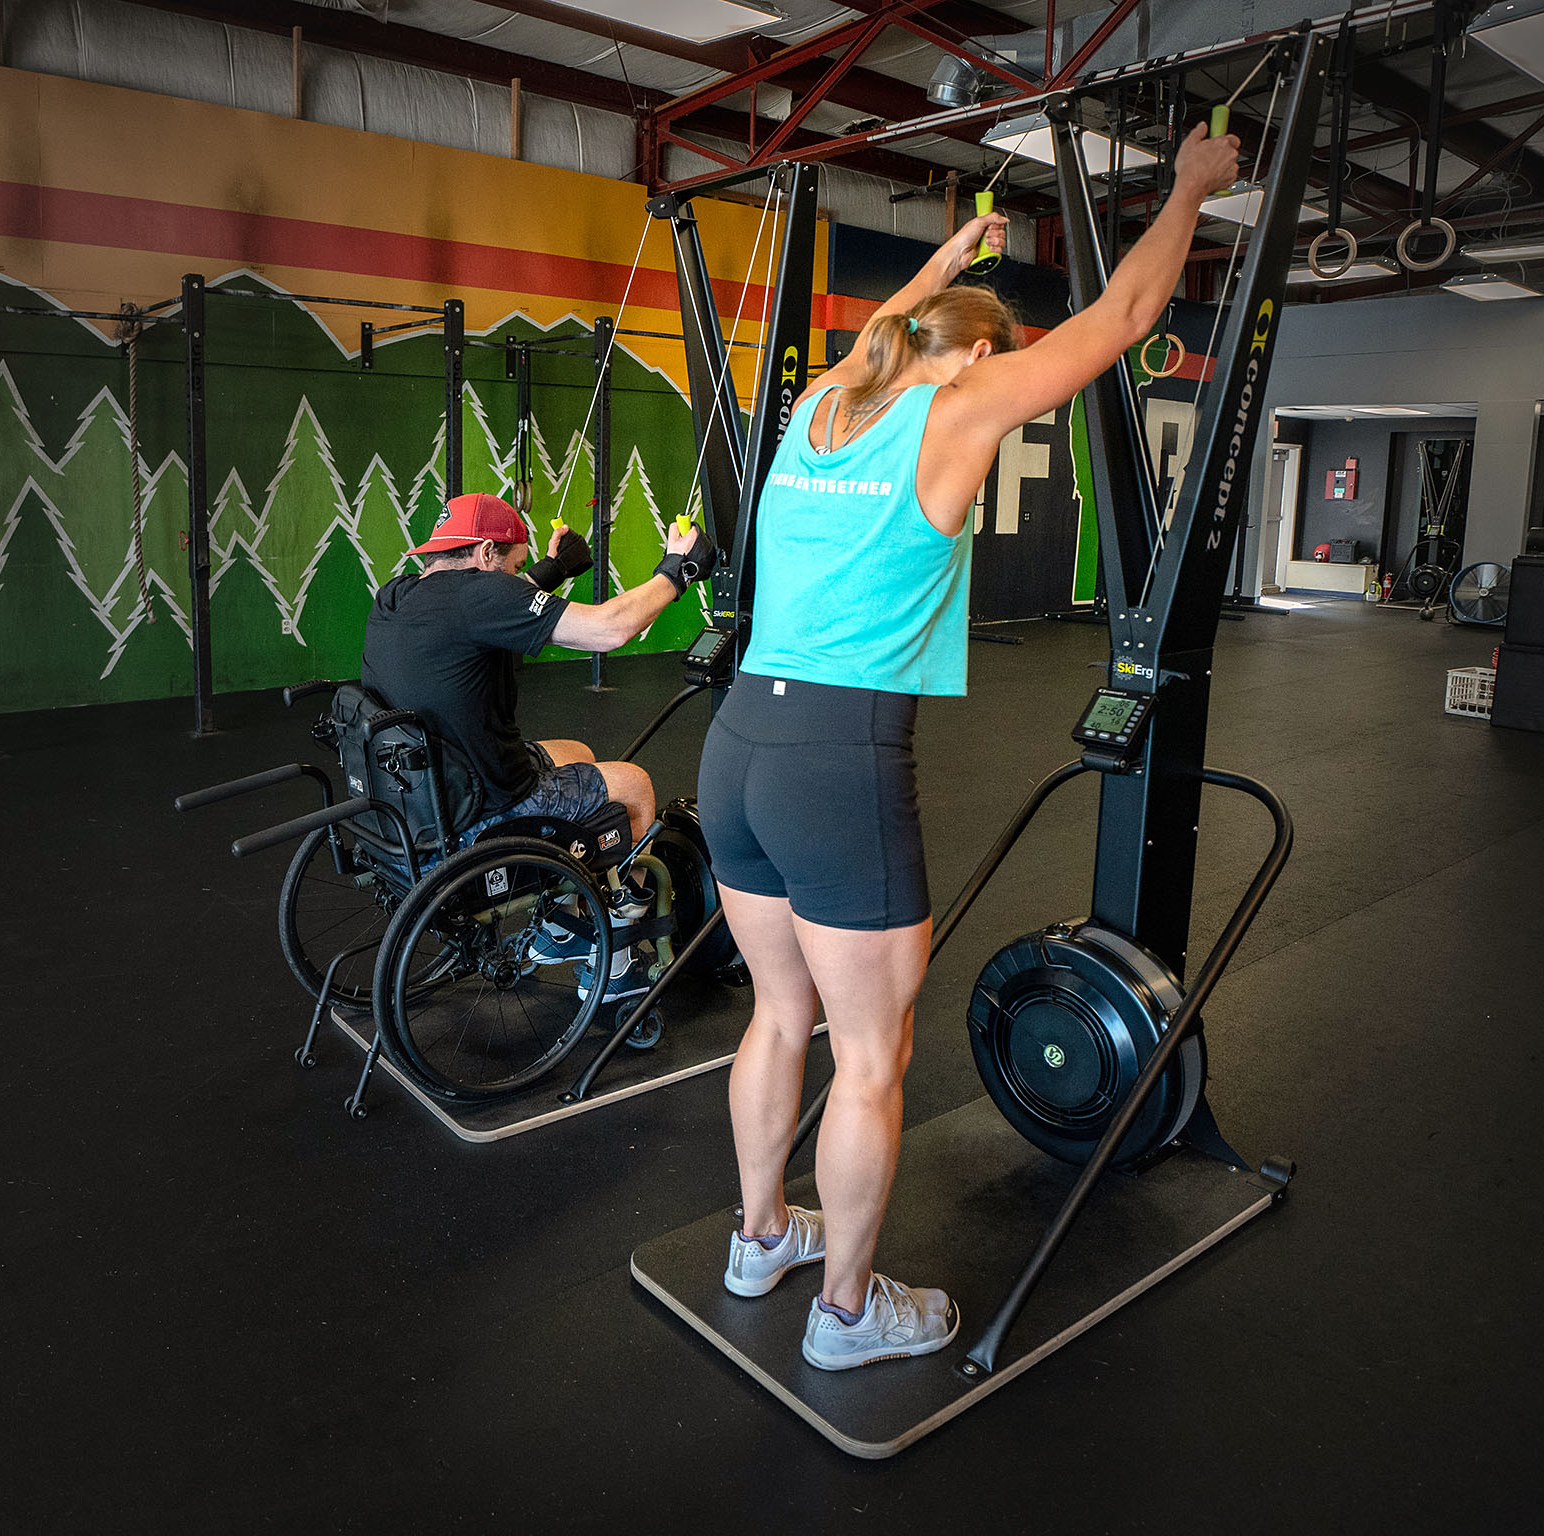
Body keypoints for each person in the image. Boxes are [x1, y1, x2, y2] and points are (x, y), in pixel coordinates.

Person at [698, 121, 1243, 1371]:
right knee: (871, 1057)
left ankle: (760, 1239)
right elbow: (1125, 315)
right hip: (838, 756)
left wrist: (943, 264)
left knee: (779, 1014)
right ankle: (846, 1317)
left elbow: (880, 333)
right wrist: (1190, 188)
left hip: (740, 743)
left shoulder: (824, 404)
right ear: (983, 353)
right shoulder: (959, 407)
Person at [361, 490, 709, 849]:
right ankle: (628, 888)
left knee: (577, 752)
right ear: (485, 552)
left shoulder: (395, 594)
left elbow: (494, 607)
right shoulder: (479, 595)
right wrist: (677, 570)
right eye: (515, 566)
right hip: (479, 809)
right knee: (634, 785)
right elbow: (611, 628)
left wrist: (553, 569)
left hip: (425, 796)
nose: (516, 576)